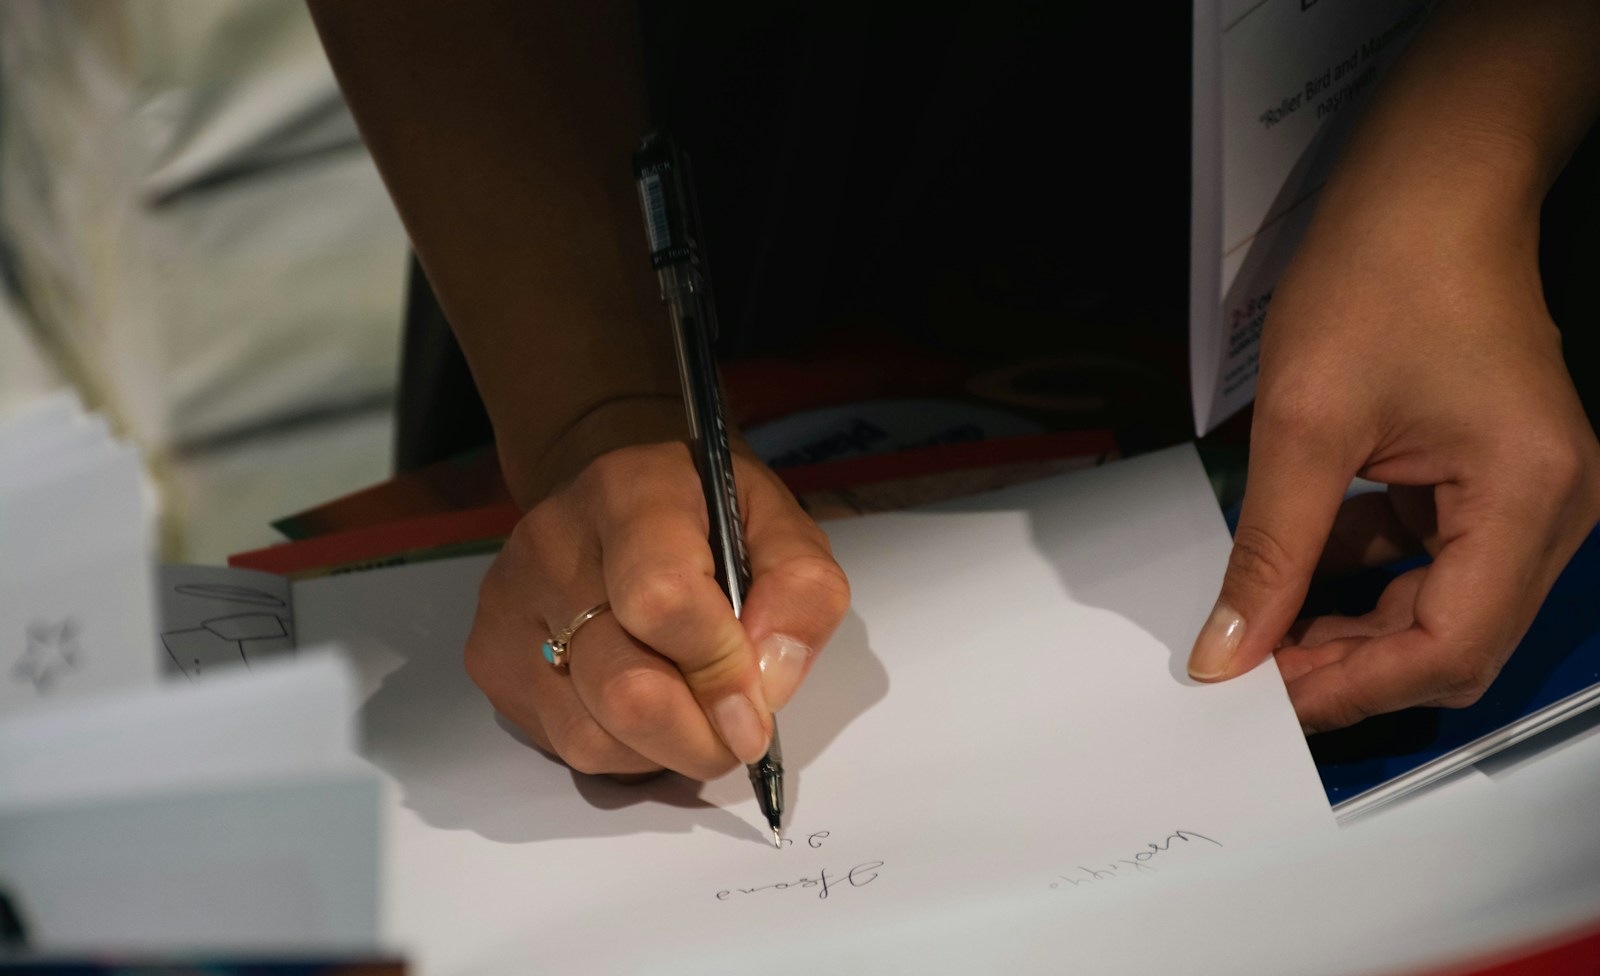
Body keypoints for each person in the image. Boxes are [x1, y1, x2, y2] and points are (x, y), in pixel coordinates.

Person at [306, 0, 1600, 781]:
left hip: (1448, 194)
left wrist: (1473, 142)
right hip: (679, 170)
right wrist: (594, 412)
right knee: (614, 582)